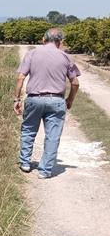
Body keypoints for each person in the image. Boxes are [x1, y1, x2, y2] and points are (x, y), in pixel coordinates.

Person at [14, 28, 81, 178]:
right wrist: (69, 100)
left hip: (34, 99)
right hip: (56, 100)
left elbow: (20, 78)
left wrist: (16, 99)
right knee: (53, 136)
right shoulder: (66, 57)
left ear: (43, 40)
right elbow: (75, 83)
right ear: (60, 42)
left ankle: (25, 163)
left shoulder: (32, 54)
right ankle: (44, 171)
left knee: (28, 130)